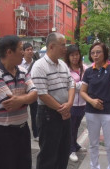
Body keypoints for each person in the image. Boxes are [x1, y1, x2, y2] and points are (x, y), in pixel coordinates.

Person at [0, 35, 37, 169]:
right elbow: (10, 105)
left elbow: (35, 94)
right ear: (9, 52)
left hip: (22, 129)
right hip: (2, 133)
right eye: (20, 49)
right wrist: (27, 96)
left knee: (24, 165)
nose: (23, 52)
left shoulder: (23, 71)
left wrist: (21, 99)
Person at [80, 35, 110, 169]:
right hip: (91, 112)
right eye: (93, 52)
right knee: (93, 143)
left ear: (105, 53)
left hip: (109, 112)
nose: (95, 55)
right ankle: (94, 166)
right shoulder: (89, 71)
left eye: (98, 52)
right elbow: (83, 91)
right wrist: (91, 101)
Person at [31, 32, 75, 169]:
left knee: (63, 150)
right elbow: (42, 93)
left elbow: (71, 84)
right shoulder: (39, 66)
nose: (65, 48)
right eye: (62, 45)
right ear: (51, 46)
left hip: (64, 112)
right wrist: (62, 109)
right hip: (48, 114)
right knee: (48, 154)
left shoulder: (62, 64)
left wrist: (69, 104)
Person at [64, 45, 88, 162]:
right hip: (71, 103)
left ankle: (75, 144)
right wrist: (82, 85)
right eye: (72, 55)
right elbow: (70, 85)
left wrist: (79, 85)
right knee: (71, 127)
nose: (75, 57)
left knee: (77, 125)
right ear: (68, 56)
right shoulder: (66, 69)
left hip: (83, 103)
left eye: (77, 54)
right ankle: (71, 149)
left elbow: (88, 83)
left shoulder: (84, 68)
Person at [21, 42, 39, 142]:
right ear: (23, 52)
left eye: (31, 49)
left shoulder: (36, 63)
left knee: (34, 113)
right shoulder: (19, 63)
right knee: (22, 112)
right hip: (22, 92)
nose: (30, 51)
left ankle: (36, 134)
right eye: (27, 49)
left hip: (33, 92)